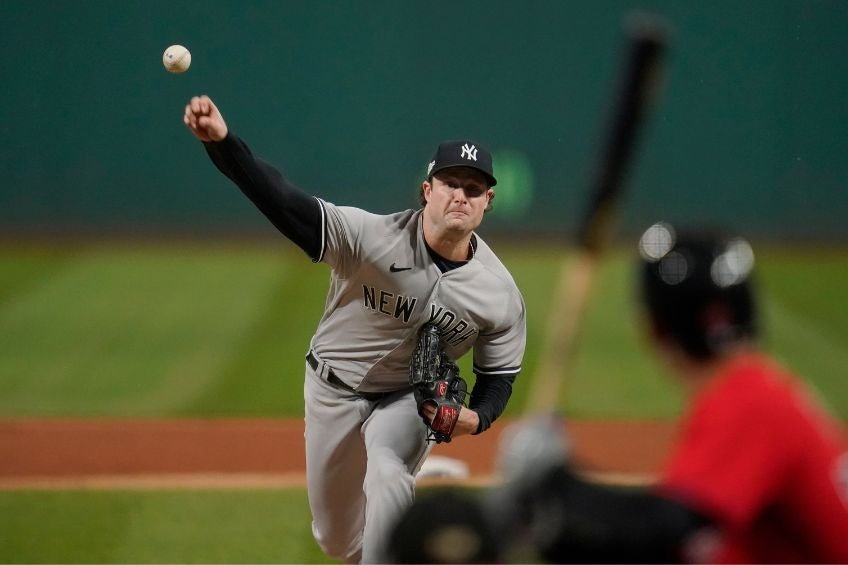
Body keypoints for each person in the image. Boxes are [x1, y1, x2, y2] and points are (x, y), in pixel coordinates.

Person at [182, 95, 526, 563]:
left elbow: (498, 376)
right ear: (427, 191)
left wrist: (477, 417)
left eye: (473, 187)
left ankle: (403, 499)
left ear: (488, 200)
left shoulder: (499, 293)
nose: (460, 195)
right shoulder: (369, 238)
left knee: (387, 472)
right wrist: (223, 143)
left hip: (410, 397)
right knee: (337, 540)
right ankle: (409, 497)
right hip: (332, 389)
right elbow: (282, 200)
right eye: (450, 183)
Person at [488, 222, 848, 563]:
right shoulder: (761, 387)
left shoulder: (748, 400)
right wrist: (554, 512)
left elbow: (666, 533)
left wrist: (555, 482)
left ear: (654, 328)